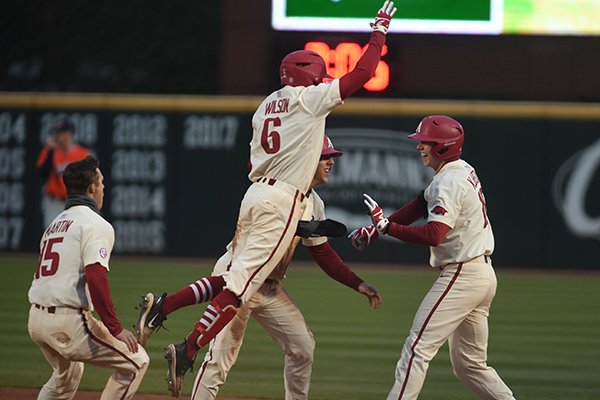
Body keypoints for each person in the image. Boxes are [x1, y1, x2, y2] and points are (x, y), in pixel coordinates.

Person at [135, 1, 396, 396]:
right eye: (318, 76)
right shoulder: (307, 100)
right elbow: (363, 72)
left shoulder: (263, 109)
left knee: (237, 284)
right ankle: (187, 349)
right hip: (279, 200)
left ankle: (167, 310)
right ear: (307, 76)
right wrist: (379, 30)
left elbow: (257, 160)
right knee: (236, 288)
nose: (321, 82)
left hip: (256, 194)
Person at [137, 136, 382, 400]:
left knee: (302, 348)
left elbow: (321, 252)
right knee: (220, 360)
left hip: (270, 286)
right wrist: (298, 227)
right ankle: (174, 326)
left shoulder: (314, 203)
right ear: (306, 159)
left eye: (330, 156)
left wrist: (356, 282)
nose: (330, 161)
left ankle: (165, 308)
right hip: (239, 279)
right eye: (324, 156)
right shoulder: (276, 193)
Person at [348, 115, 517, 400]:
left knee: (417, 349)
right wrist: (376, 231)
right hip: (482, 275)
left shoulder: (448, 182)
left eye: (426, 142)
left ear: (442, 147)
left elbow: (433, 234)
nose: (419, 147)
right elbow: (418, 205)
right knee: (469, 366)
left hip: (462, 275)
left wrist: (386, 227)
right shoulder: (460, 169)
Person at [27, 155, 149, 400]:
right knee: (137, 361)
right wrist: (115, 328)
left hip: (36, 320)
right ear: (92, 188)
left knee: (65, 379)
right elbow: (95, 277)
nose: (104, 188)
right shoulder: (95, 224)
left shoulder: (55, 224)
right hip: (67, 322)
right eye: (102, 183)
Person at [36, 117, 91, 228]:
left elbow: (90, 180)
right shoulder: (50, 150)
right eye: (56, 133)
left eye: (60, 133)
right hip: (54, 202)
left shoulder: (82, 154)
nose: (56, 136)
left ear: (69, 134)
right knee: (52, 238)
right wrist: (50, 151)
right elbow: (42, 173)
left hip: (74, 202)